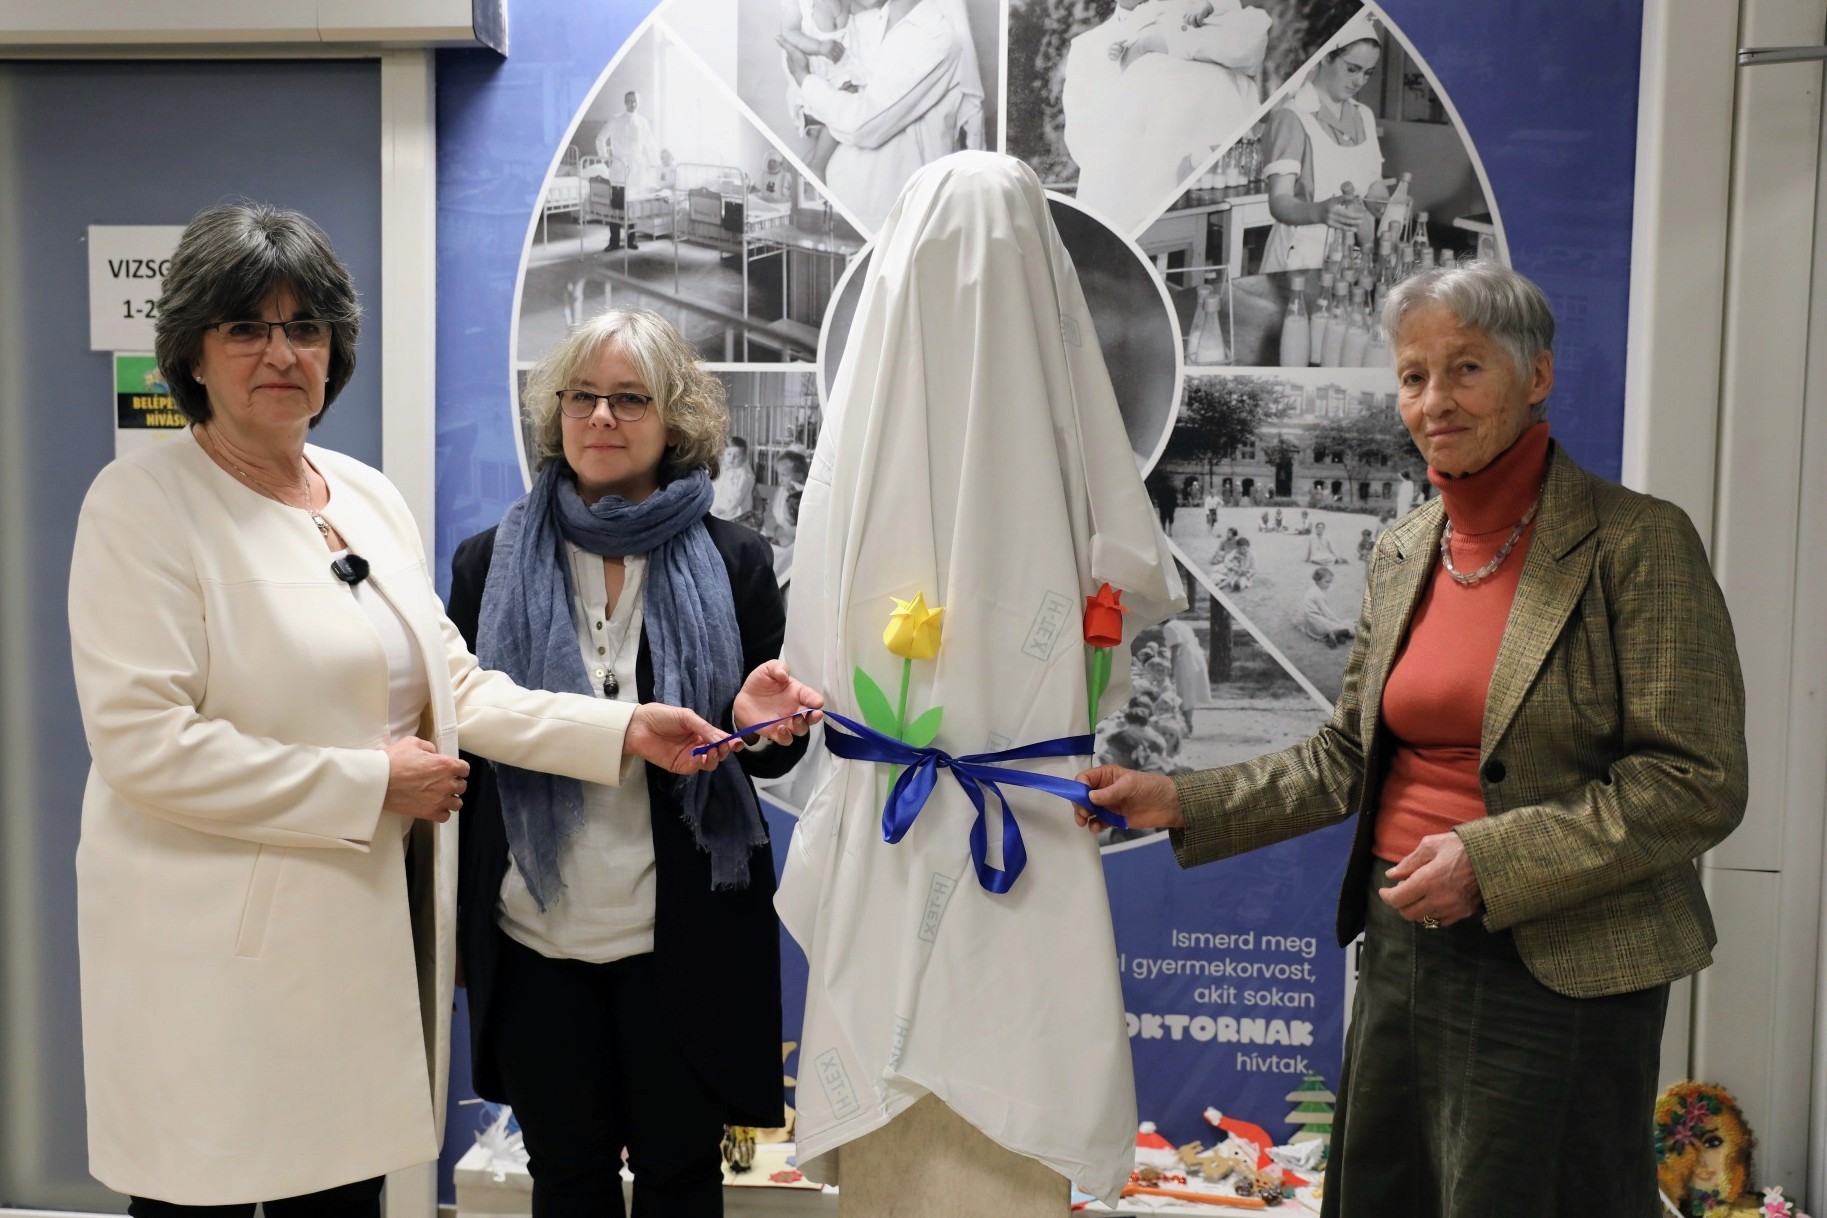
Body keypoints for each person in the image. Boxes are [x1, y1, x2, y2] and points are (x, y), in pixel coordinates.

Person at [67, 204, 759, 1215]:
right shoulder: (142, 504)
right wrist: (371, 783)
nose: (282, 354)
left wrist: (623, 728)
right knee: (202, 1195)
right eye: (246, 327)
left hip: (355, 942)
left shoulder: (362, 497)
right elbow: (147, 747)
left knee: (337, 1195)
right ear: (193, 352)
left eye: (306, 327)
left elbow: (457, 686)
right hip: (211, 959)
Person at [1077, 260, 1748, 1216]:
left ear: (1537, 375)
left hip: (1562, 964)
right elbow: (1344, 756)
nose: (1434, 401)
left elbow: (1695, 779)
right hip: (1403, 943)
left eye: (1465, 368)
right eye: (1412, 376)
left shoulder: (1636, 543)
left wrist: (1489, 859)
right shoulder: (1403, 549)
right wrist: (1179, 798)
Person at [447, 307, 824, 1218]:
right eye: (581, 397)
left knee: (680, 1178)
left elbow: (764, 759)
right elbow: (466, 731)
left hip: (683, 936)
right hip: (533, 932)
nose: (601, 418)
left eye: (629, 399)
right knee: (565, 1180)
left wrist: (756, 725)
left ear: (674, 418)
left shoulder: (736, 559)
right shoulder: (487, 562)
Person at [1063, 0, 1270, 233]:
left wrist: (1162, 42)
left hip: (1209, 185)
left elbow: (1250, 48)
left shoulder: (1192, 10)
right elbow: (1081, 139)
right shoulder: (1087, 46)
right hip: (1129, 193)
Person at [779, 0, 978, 230]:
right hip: (838, 201)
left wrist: (804, 79)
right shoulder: (866, 21)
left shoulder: (939, 37)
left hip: (890, 217)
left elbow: (862, 125)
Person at [1259, 13, 1385, 273]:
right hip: (1299, 258)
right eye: (1352, 69)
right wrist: (1319, 212)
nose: (1359, 81)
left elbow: (1374, 182)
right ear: (1326, 56)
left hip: (1349, 257)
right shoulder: (1293, 116)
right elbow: (1279, 201)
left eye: (1368, 73)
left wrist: (1382, 202)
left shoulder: (1364, 116)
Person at [596, 90, 657, 252]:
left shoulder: (643, 122)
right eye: (630, 101)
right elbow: (600, 139)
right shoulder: (615, 120)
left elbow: (650, 144)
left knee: (633, 203)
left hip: (636, 167)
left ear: (639, 102)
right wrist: (606, 159)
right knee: (616, 205)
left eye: (635, 101)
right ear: (625, 102)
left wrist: (654, 165)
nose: (633, 104)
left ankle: (631, 239)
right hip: (619, 166)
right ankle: (614, 241)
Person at [1298, 566, 1354, 648]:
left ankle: (1337, 635)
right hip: (1317, 622)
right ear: (1318, 580)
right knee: (1349, 628)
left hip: (1310, 622)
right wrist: (1339, 621)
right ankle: (1334, 634)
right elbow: (1327, 613)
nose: (1329, 585)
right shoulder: (1318, 594)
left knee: (1341, 625)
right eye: (1327, 582)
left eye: (1330, 582)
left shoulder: (1313, 589)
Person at [711, 434, 757, 521]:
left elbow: (737, 496)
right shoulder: (723, 470)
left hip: (736, 511)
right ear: (724, 454)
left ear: (744, 458)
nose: (731, 459)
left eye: (737, 456)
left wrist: (724, 508)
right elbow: (715, 488)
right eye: (729, 454)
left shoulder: (743, 474)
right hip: (718, 507)